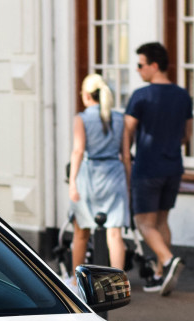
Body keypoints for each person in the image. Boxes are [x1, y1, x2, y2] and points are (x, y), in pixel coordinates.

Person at [123, 41, 193, 295]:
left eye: (140, 65)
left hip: (147, 166)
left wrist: (125, 160)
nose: (137, 70)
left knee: (144, 223)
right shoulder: (183, 95)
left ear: (154, 65)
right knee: (162, 220)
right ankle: (161, 276)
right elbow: (187, 134)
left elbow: (127, 132)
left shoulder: (141, 96)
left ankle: (167, 259)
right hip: (173, 166)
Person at [68, 73, 128, 270]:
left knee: (81, 231)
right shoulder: (120, 119)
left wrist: (72, 182)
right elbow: (126, 156)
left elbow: (78, 150)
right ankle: (119, 283)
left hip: (90, 175)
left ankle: (76, 282)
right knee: (114, 233)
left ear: (86, 95)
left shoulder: (82, 119)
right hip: (114, 174)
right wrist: (128, 182)